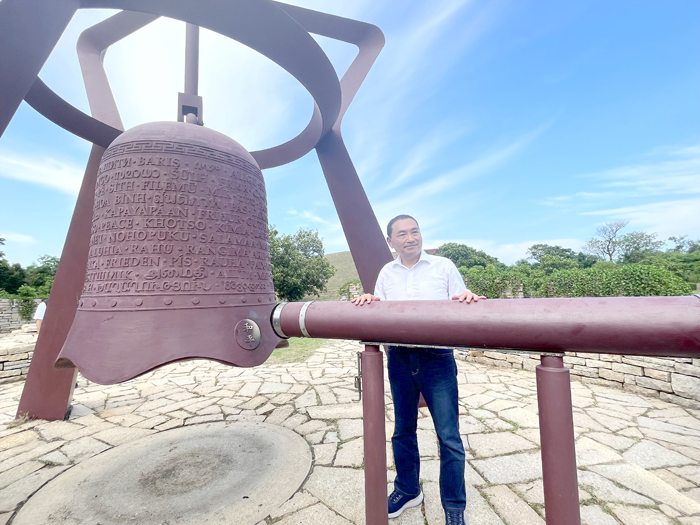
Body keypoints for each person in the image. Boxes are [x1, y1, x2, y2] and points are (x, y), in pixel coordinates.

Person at [353, 215, 485, 525]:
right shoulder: (386, 272)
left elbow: (460, 300)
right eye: (402, 234)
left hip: (437, 358)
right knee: (402, 431)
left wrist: (468, 299)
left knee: (449, 435)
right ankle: (408, 490)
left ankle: (454, 508)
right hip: (399, 357)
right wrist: (371, 300)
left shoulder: (444, 267)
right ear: (390, 242)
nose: (410, 237)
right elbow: (381, 309)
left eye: (414, 231)